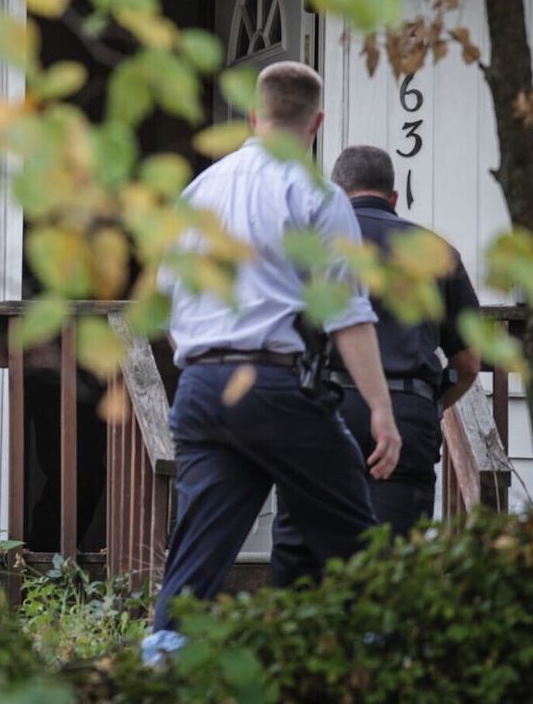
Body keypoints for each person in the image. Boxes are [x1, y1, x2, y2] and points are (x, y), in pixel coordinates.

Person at [144, 62, 401, 660]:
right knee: (350, 525)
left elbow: (162, 299)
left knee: (200, 545)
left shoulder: (198, 191)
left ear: (254, 117)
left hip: (202, 387)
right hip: (271, 382)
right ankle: (388, 651)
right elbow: (346, 313)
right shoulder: (316, 193)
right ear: (317, 123)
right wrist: (382, 409)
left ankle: (160, 666)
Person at [270, 144, 481, 585]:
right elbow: (468, 361)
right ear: (395, 198)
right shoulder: (437, 252)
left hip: (324, 406)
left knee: (305, 556)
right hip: (406, 413)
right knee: (392, 558)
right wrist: (433, 403)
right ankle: (379, 645)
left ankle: (300, 640)